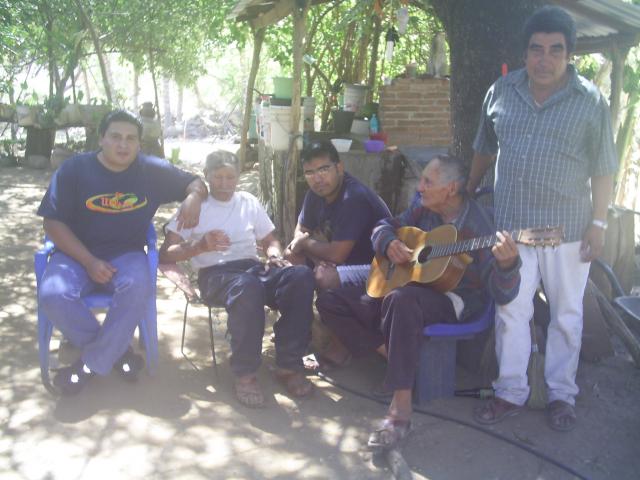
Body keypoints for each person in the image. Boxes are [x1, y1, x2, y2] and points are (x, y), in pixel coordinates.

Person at [468, 6, 617, 432]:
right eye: (536, 49)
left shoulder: (590, 101)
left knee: (567, 316)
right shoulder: (501, 92)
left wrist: (600, 223)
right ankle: (510, 392)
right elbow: (484, 146)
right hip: (512, 228)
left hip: (568, 229)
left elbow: (604, 167)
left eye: (555, 50)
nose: (544, 59)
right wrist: (469, 188)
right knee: (511, 311)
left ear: (570, 54)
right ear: (525, 52)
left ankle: (560, 395)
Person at [315, 154, 521, 450]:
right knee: (331, 301)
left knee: (401, 299)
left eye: (427, 181)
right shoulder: (421, 208)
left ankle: (400, 411)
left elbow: (502, 295)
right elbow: (383, 225)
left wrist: (507, 266)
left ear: (450, 189)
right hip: (410, 286)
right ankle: (394, 355)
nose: (419, 187)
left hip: (454, 300)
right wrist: (390, 243)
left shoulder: (480, 226)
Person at [37, 109, 208, 395]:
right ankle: (118, 354)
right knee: (53, 295)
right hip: (75, 254)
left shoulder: (151, 170)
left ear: (139, 144)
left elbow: (196, 182)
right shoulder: (74, 170)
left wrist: (194, 197)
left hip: (126, 253)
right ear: (101, 138)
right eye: (115, 136)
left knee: (138, 286)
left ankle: (88, 366)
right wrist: (89, 261)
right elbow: (52, 222)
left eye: (131, 139)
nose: (123, 144)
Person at [159, 150, 315, 408]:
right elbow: (166, 253)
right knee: (248, 287)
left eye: (230, 177)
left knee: (300, 277)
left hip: (251, 270)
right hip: (215, 275)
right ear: (206, 177)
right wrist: (198, 247)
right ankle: (245, 374)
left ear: (238, 177)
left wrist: (274, 254)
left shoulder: (247, 202)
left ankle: (289, 364)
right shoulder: (197, 206)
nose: (224, 184)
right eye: (217, 177)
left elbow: (269, 239)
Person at [285, 139, 390, 290]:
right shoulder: (314, 194)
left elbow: (336, 255)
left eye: (323, 169)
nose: (317, 179)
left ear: (339, 168)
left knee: (324, 277)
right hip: (342, 261)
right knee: (290, 255)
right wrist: (315, 259)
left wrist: (304, 243)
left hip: (377, 267)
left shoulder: (354, 197)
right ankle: (303, 312)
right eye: (310, 173)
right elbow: (300, 232)